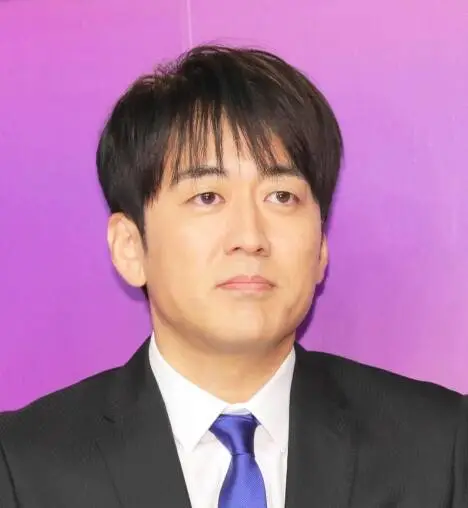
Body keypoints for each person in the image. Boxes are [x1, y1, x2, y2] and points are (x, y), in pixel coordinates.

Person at [0, 44, 467, 508]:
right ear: (130, 246)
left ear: (321, 246)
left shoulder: (439, 446)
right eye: (207, 197)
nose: (249, 237)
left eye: (281, 196)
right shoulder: (23, 466)